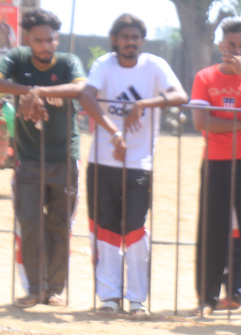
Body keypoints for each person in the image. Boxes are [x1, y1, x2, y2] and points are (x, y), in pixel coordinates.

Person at [78, 13, 187, 315]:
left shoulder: (154, 65)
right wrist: (114, 132)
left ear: (142, 41)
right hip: (102, 161)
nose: (131, 42)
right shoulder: (104, 65)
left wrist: (143, 104)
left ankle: (137, 299)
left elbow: (180, 94)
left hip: (140, 164)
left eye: (135, 37)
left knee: (135, 231)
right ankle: (109, 297)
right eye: (125, 37)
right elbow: (85, 95)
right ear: (115, 40)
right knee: (105, 230)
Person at [189, 20, 241, 317]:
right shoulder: (204, 77)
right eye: (231, 45)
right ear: (221, 46)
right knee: (211, 231)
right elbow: (202, 122)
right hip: (215, 162)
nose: (237, 51)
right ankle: (206, 299)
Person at [0, 9, 85, 308]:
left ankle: (55, 290)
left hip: (65, 158)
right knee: (30, 225)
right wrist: (28, 91)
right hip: (28, 159)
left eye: (51, 39)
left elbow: (80, 87)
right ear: (27, 39)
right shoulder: (17, 58)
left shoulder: (68, 62)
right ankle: (34, 289)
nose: (46, 46)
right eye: (39, 40)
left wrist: (38, 92)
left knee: (60, 226)